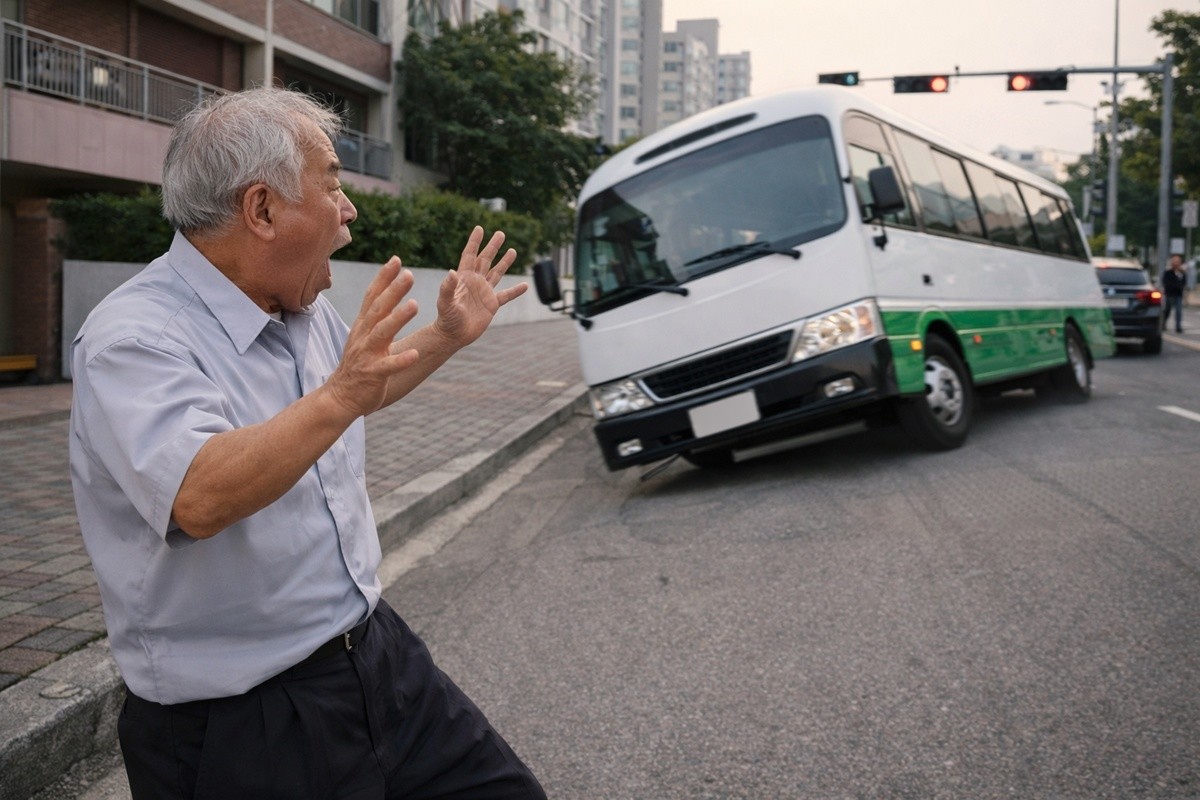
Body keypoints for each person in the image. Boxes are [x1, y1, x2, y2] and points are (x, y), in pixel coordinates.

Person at [68, 87, 546, 799]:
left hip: (377, 657)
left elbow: (360, 391)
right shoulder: (134, 339)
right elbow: (199, 495)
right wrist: (340, 394)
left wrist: (445, 336)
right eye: (331, 181)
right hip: (242, 726)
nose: (349, 207)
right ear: (261, 209)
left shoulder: (302, 307)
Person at [1162, 253, 1187, 333]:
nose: (1176, 263)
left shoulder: (1182, 273)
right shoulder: (1168, 272)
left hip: (1178, 294)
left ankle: (1178, 326)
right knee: (1167, 310)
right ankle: (1163, 323)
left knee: (1178, 311)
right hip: (1169, 294)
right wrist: (1175, 286)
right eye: (1174, 261)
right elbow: (1165, 282)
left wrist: (1180, 286)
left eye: (1178, 261)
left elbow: (1183, 282)